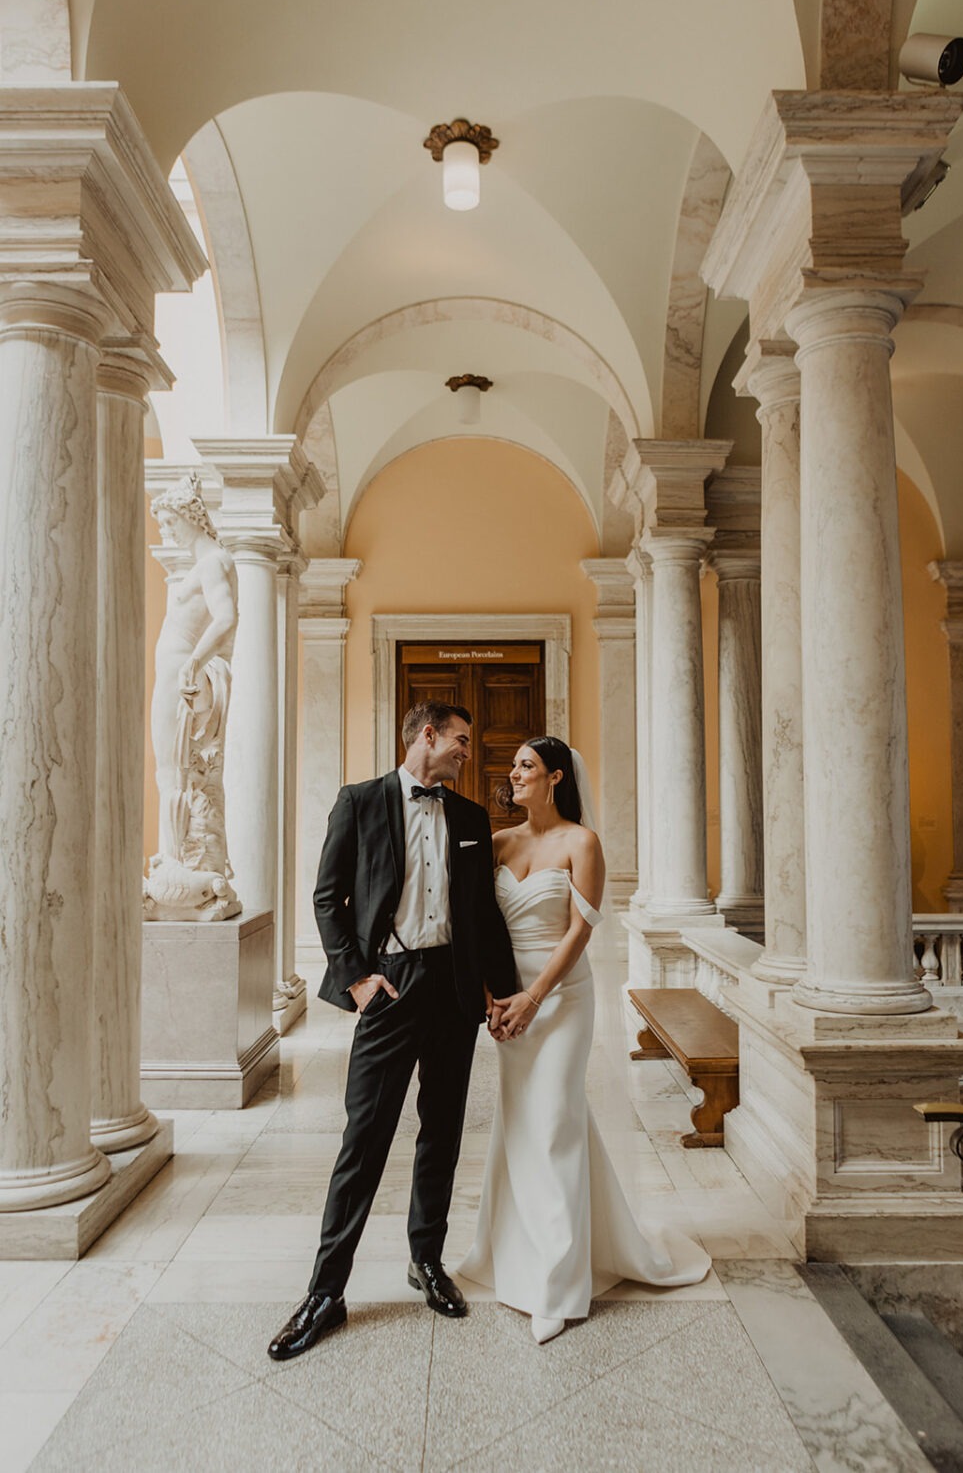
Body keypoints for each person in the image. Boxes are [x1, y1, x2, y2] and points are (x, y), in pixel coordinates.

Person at [268, 702, 517, 1361]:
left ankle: (426, 1259)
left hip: (455, 992)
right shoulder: (359, 801)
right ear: (427, 736)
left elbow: (483, 914)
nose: (469, 751)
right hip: (389, 985)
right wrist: (357, 979)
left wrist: (506, 992)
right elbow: (328, 897)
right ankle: (326, 1292)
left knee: (442, 1129)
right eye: (462, 740)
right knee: (365, 1137)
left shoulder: (467, 817)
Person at [460, 735, 711, 1344]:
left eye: (527, 765)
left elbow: (580, 931)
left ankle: (558, 1286)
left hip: (561, 997)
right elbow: (475, 923)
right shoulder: (498, 842)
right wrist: (493, 996)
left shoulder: (582, 843)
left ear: (555, 779)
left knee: (552, 1124)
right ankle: (503, 1254)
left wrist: (534, 995)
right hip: (507, 1003)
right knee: (528, 1121)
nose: (514, 772)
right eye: (515, 764)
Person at [145, 474, 241, 920]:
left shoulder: (214, 561)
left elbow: (225, 617)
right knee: (178, 773)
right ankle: (184, 865)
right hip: (180, 678)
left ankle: (188, 874)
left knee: (176, 774)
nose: (168, 532)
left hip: (186, 681)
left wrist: (194, 663)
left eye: (170, 523)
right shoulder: (203, 565)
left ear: (189, 516)